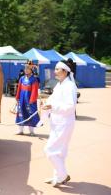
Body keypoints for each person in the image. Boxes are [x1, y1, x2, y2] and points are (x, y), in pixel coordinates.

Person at [42, 59, 77, 187]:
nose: (55, 71)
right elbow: (52, 100)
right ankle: (58, 177)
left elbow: (70, 106)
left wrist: (52, 106)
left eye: (57, 69)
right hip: (57, 122)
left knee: (49, 150)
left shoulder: (69, 86)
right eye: (55, 69)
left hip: (64, 123)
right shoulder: (59, 85)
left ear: (65, 71)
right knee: (59, 152)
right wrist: (46, 104)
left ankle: (63, 175)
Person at [15, 61, 40, 136]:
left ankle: (31, 131)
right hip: (22, 99)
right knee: (21, 113)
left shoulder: (34, 79)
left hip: (29, 100)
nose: (26, 70)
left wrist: (32, 100)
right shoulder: (22, 78)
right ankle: (20, 130)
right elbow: (19, 88)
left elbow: (34, 91)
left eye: (28, 68)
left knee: (30, 114)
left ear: (31, 70)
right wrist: (17, 97)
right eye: (25, 68)